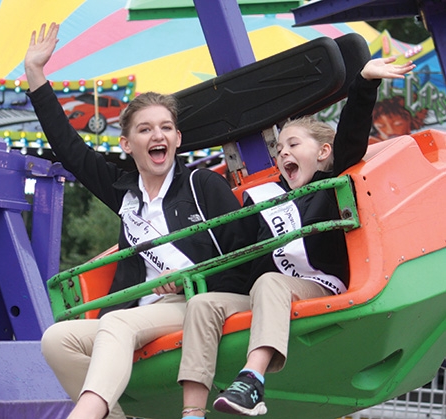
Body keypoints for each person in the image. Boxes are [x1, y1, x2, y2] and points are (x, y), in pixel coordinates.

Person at [24, 23, 250, 419]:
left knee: (118, 326)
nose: (156, 135)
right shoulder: (124, 192)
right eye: (145, 129)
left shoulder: (203, 185)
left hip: (192, 302)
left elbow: (244, 253)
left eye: (165, 128)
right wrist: (36, 75)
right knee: (57, 339)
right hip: (138, 310)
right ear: (128, 145)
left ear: (177, 139)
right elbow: (71, 149)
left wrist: (194, 282)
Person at [177, 56, 416, 418]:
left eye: (293, 145)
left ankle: (252, 380)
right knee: (203, 304)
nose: (283, 152)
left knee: (273, 282)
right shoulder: (270, 200)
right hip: (267, 296)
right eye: (279, 149)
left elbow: (350, 136)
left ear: (323, 153)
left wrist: (364, 82)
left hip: (319, 286)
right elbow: (241, 259)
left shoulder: (330, 185)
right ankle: (192, 411)